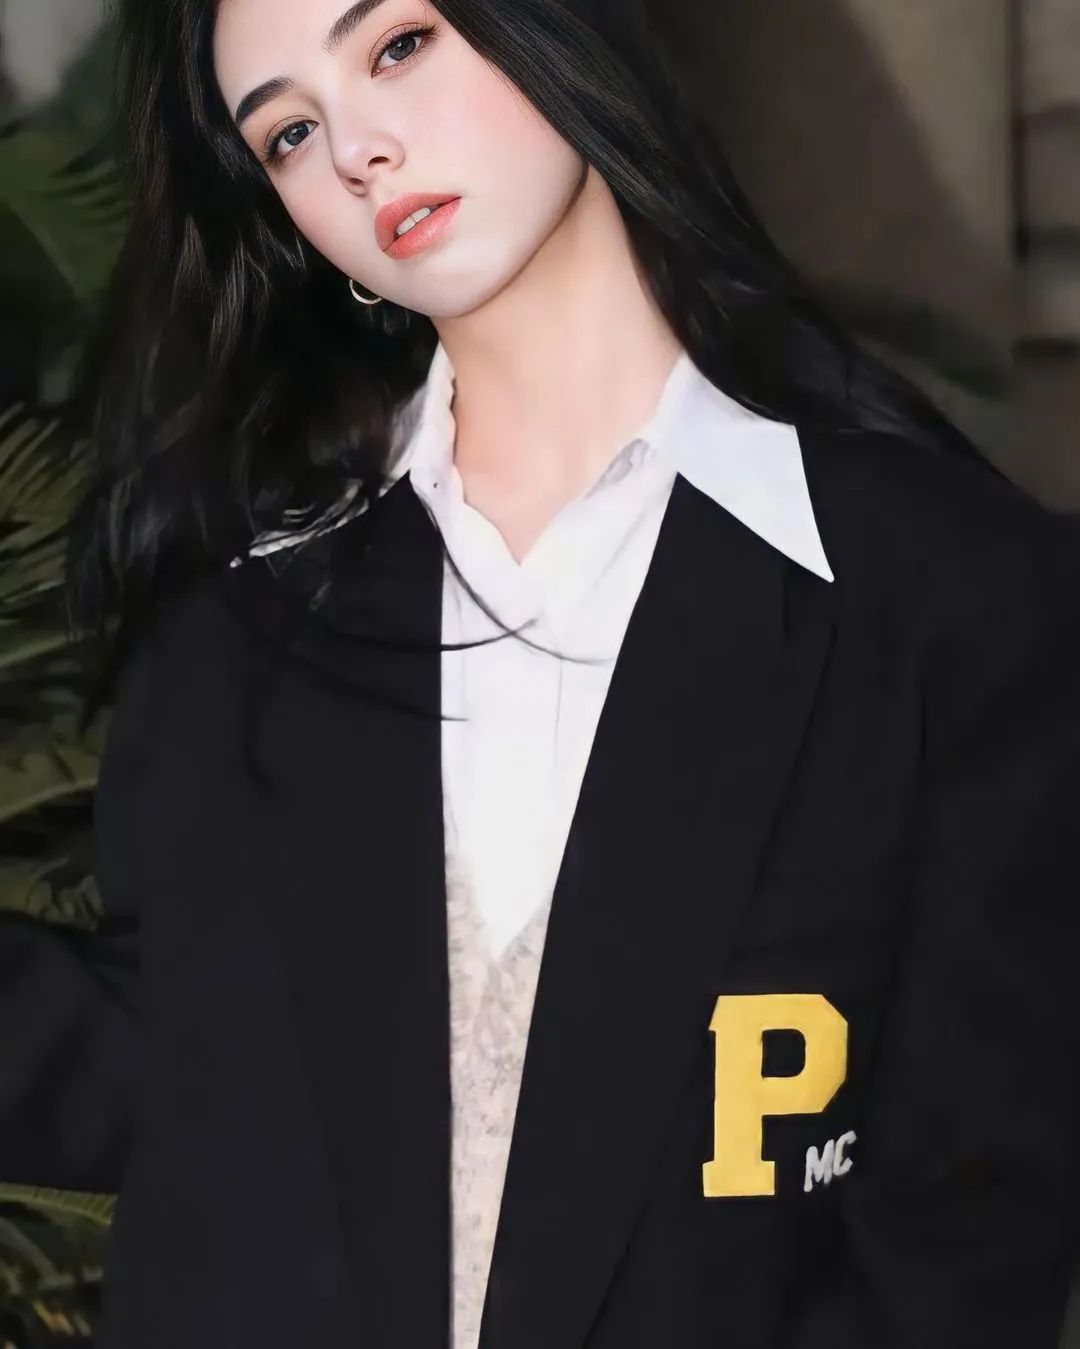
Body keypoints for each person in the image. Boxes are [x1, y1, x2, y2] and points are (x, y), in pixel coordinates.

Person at [2, 0, 1078, 1344]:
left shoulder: (950, 590)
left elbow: (970, 1227)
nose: (357, 149)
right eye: (287, 134)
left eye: (396, 46)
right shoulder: (242, 622)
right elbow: (171, 1065)